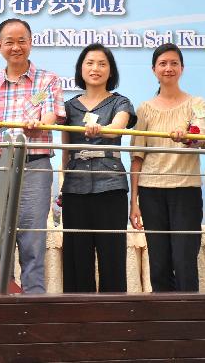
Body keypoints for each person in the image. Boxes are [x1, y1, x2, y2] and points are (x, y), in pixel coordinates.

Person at [0, 18, 64, 294]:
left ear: (31, 42)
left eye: (22, 41)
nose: (16, 47)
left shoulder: (48, 79)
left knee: (32, 238)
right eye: (10, 42)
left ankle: (34, 302)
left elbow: (51, 114)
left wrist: (42, 122)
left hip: (34, 164)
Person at [129, 43, 205, 292]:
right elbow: (137, 157)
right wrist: (134, 201)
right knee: (159, 261)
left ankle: (188, 321)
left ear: (182, 68)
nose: (168, 68)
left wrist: (187, 136)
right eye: (163, 63)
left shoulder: (196, 103)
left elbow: (202, 136)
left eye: (174, 63)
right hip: (151, 191)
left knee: (185, 260)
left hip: (186, 189)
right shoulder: (144, 108)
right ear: (153, 70)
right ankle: (161, 319)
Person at [61, 43, 135, 293]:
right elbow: (66, 150)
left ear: (111, 71)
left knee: (112, 255)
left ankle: (112, 319)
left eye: (102, 64)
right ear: (80, 69)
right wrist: (64, 184)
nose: (96, 68)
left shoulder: (120, 102)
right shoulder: (69, 107)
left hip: (110, 186)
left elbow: (119, 126)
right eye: (90, 63)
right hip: (75, 188)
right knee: (76, 256)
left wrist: (103, 129)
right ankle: (77, 320)